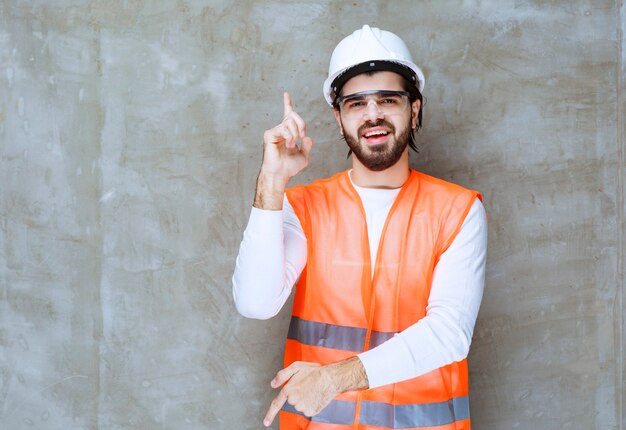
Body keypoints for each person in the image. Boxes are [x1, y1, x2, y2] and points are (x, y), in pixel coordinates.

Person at [232, 25, 487, 429]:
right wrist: (272, 181)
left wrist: (334, 377)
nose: (373, 115)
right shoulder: (304, 206)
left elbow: (448, 333)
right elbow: (255, 302)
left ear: (414, 109)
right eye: (356, 103)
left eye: (388, 99)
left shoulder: (457, 210)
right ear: (338, 118)